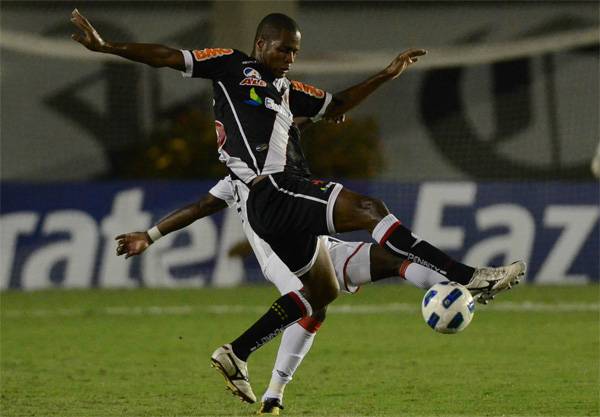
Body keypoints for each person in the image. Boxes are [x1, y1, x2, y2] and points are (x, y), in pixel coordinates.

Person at [71, 9, 526, 408]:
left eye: (295, 51)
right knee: (370, 209)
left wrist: (388, 73)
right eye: (284, 49)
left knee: (320, 295)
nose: (290, 57)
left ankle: (238, 353)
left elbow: (339, 103)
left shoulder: (289, 93)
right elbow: (168, 57)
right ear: (261, 44)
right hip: (272, 189)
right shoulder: (232, 65)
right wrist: (107, 47)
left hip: (278, 205)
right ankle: (467, 275)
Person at [115, 173, 451, 415]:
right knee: (316, 303)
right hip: (281, 257)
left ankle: (455, 290)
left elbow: (292, 122)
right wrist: (150, 235)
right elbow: (200, 207)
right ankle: (245, 361)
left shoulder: (280, 161)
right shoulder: (238, 176)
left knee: (392, 261)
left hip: (320, 247)